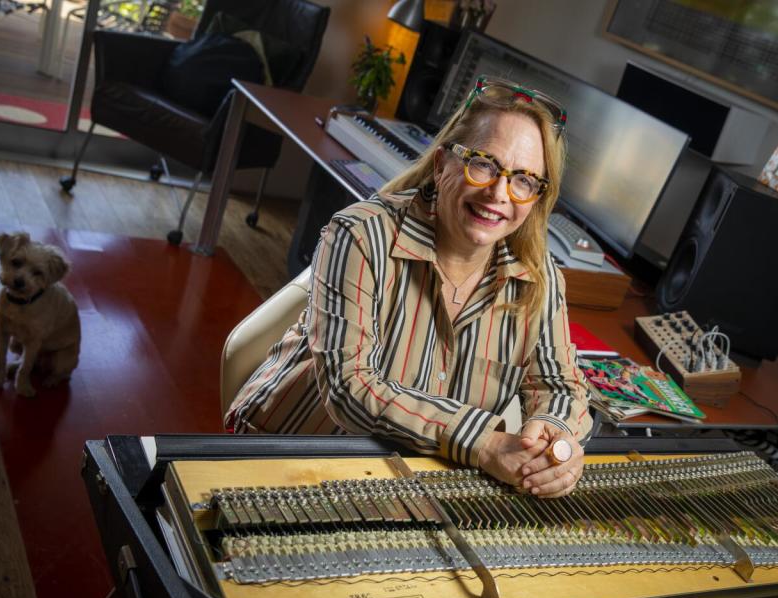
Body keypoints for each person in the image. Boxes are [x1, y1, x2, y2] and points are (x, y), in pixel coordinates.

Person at [225, 76, 590, 498]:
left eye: (524, 180)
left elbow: (561, 386)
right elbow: (351, 389)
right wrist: (486, 442)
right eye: (484, 164)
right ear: (441, 165)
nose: (498, 193)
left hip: (406, 477)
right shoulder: (360, 234)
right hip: (288, 450)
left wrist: (557, 443)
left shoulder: (538, 273)